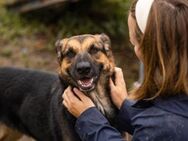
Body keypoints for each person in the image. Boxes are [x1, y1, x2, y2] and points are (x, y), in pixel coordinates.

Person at [62, 0, 188, 140]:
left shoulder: (164, 125)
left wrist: (89, 118)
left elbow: (157, 129)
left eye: (133, 42)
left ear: (145, 47)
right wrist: (125, 106)